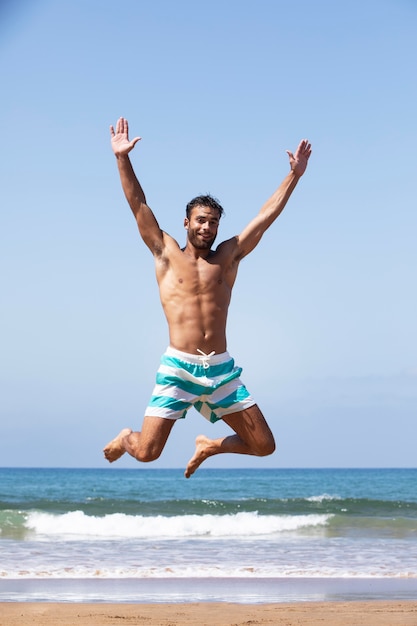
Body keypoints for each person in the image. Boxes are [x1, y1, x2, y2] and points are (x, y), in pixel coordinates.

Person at [103, 117, 311, 478]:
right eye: (200, 220)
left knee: (264, 445)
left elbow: (264, 217)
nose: (207, 227)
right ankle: (125, 439)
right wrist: (123, 158)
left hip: (219, 367)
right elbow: (139, 205)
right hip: (178, 367)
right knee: (147, 452)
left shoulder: (227, 258)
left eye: (213, 222)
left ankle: (210, 445)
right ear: (186, 223)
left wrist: (294, 176)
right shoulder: (165, 252)